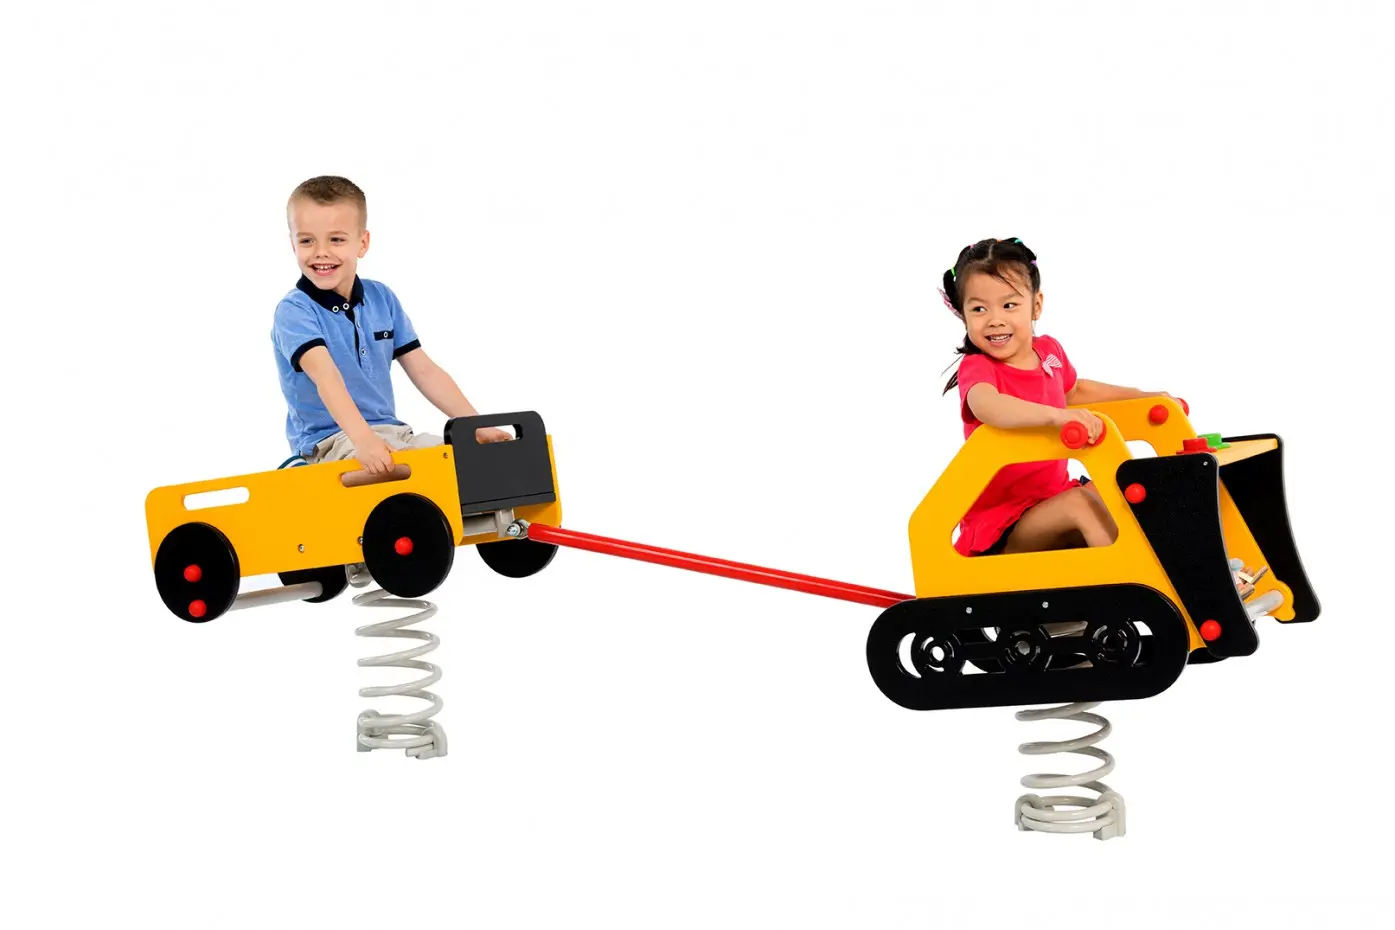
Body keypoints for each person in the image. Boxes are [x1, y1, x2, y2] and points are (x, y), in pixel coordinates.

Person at [941, 237, 1173, 557]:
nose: (995, 319)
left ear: (1036, 305)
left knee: (1119, 493)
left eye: (1009, 305)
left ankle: (1182, 567)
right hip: (1004, 523)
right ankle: (1138, 576)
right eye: (979, 308)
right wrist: (1057, 416)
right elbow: (986, 406)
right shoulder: (978, 367)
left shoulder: (1049, 351)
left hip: (1051, 498)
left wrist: (1143, 397)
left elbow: (1076, 391)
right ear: (963, 315)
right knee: (1080, 504)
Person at [271, 176, 510, 484]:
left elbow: (425, 371)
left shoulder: (381, 298)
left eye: (336, 240)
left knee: (474, 464)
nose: (321, 252)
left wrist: (475, 425)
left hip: (394, 434)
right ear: (293, 244)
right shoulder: (295, 310)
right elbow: (326, 377)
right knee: (409, 474)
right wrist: (364, 440)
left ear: (362, 243)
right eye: (307, 241)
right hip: (331, 444)